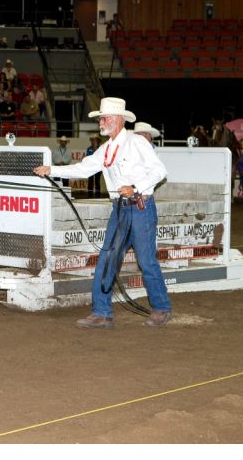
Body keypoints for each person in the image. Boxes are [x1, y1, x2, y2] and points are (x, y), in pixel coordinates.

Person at [33, 96, 172, 328]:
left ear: (117, 119)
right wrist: (52, 170)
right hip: (119, 210)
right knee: (107, 258)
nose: (100, 122)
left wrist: (136, 187)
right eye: (100, 119)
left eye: (104, 118)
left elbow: (159, 171)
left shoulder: (137, 142)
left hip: (141, 208)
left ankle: (161, 307)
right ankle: (101, 312)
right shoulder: (105, 149)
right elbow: (83, 169)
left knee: (146, 260)